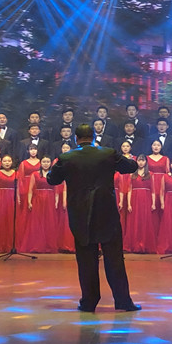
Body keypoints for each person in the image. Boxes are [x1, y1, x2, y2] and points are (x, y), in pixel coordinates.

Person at [46, 123, 140, 312]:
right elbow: (131, 167)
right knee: (115, 259)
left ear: (76, 139)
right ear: (94, 137)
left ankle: (89, 302)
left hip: (81, 215)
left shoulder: (66, 157)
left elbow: (52, 179)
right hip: (107, 214)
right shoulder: (108, 153)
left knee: (86, 261)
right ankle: (123, 301)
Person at [24, 156, 61, 253]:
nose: (46, 164)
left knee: (49, 222)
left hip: (50, 199)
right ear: (40, 163)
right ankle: (37, 245)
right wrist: (29, 201)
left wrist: (56, 201)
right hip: (38, 200)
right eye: (44, 162)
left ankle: (49, 245)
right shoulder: (35, 174)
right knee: (37, 222)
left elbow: (56, 189)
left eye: (48, 162)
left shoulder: (53, 174)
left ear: (50, 163)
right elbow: (30, 189)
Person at [124, 154, 157, 254]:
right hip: (135, 199)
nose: (141, 162)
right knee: (135, 221)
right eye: (139, 160)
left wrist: (153, 203)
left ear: (146, 162)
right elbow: (129, 190)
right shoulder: (132, 175)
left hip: (146, 199)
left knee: (145, 221)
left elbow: (153, 190)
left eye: (143, 160)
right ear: (136, 161)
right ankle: (134, 245)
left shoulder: (150, 174)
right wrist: (129, 204)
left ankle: (145, 245)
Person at [0, 154, 19, 253]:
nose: (7, 163)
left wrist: (18, 199)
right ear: (1, 163)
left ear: (12, 162)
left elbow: (18, 187)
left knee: (11, 222)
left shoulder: (16, 173)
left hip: (12, 198)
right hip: (0, 197)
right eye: (5, 161)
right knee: (1, 221)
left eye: (9, 161)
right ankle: (0, 245)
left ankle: (10, 245)